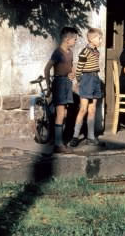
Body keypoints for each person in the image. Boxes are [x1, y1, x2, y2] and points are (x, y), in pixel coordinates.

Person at [44, 25, 78, 154]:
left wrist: (72, 74)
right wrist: (48, 87)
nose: (75, 42)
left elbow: (71, 66)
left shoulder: (70, 52)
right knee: (60, 113)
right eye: (74, 39)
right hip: (59, 83)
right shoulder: (58, 52)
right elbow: (47, 69)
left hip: (67, 83)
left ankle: (58, 140)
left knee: (63, 113)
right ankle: (58, 144)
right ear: (67, 39)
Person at [70, 27, 103, 148]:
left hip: (95, 79)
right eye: (99, 38)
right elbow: (79, 68)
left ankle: (91, 136)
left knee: (92, 109)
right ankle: (75, 136)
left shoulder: (96, 52)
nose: (101, 40)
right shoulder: (85, 51)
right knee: (83, 109)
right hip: (87, 79)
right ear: (91, 39)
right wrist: (80, 80)